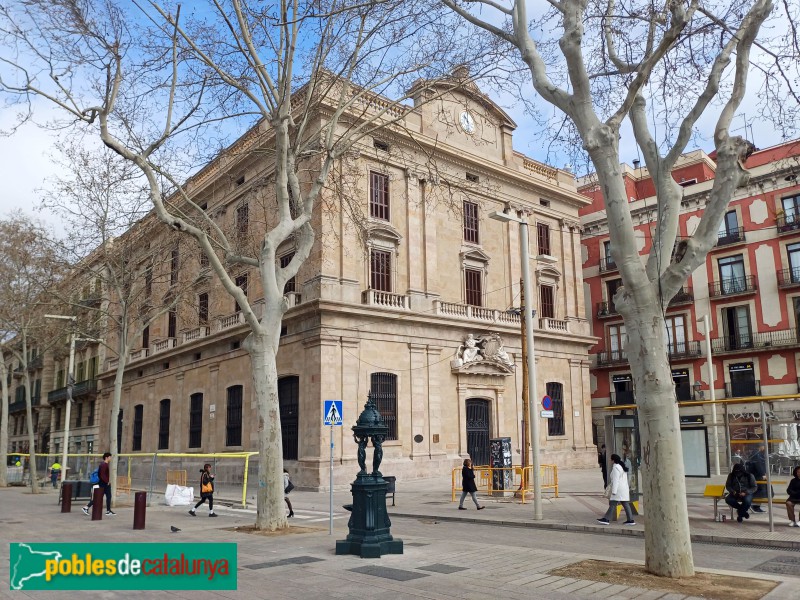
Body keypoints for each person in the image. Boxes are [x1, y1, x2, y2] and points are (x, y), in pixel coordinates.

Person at [596, 454, 635, 526]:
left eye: (611, 459)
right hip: (623, 489)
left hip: (618, 490)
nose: (610, 460)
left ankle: (606, 519)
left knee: (613, 504)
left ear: (613, 460)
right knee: (625, 504)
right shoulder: (621, 466)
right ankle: (630, 520)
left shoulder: (616, 468)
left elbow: (616, 480)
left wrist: (614, 491)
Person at [746, 446, 768, 512]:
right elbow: (759, 465)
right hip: (758, 476)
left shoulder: (754, 453)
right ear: (761, 447)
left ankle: (754, 505)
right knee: (760, 491)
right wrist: (763, 474)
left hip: (753, 475)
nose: (764, 448)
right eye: (763, 446)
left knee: (757, 490)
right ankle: (755, 506)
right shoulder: (757, 454)